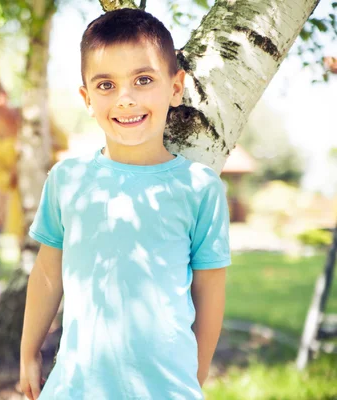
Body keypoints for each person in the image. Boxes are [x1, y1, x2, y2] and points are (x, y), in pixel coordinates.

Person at [19, 8, 230, 400]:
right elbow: (48, 271)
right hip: (75, 388)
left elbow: (210, 287)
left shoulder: (200, 187)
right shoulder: (67, 179)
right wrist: (28, 351)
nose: (125, 99)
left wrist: (193, 377)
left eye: (143, 80)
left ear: (175, 86)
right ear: (86, 98)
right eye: (105, 86)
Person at [0, 73, 68, 241]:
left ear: (5, 93)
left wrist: (34, 141)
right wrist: (18, 162)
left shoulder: (33, 115)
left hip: (53, 190)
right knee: (30, 254)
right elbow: (2, 181)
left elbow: (63, 142)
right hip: (24, 202)